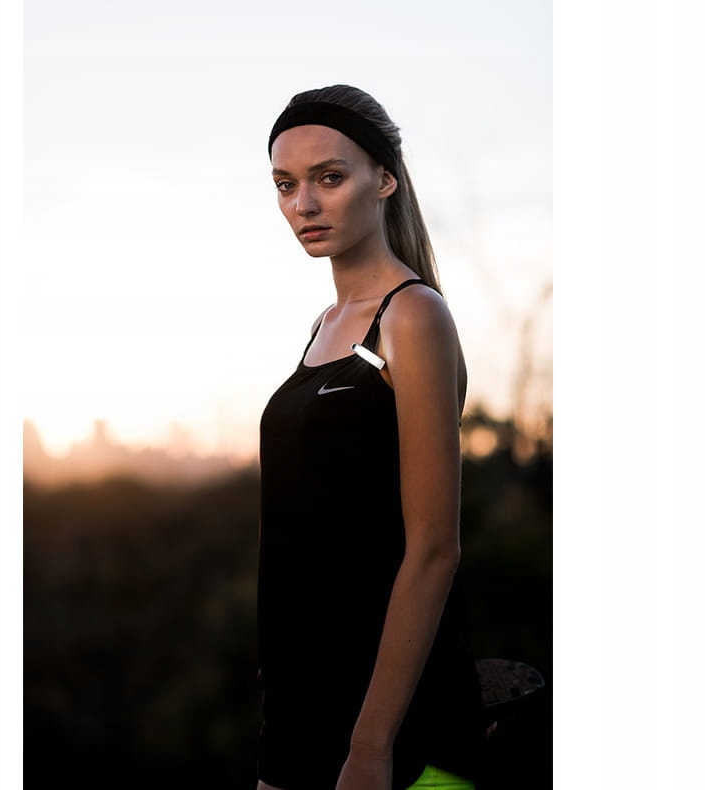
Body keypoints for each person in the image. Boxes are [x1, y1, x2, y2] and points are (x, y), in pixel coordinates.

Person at [256, 84, 492, 790]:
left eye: (329, 178)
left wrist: (370, 747)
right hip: (299, 707)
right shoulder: (325, 326)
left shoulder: (412, 315)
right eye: (286, 184)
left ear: (384, 179)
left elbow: (434, 550)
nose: (304, 204)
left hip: (396, 724)